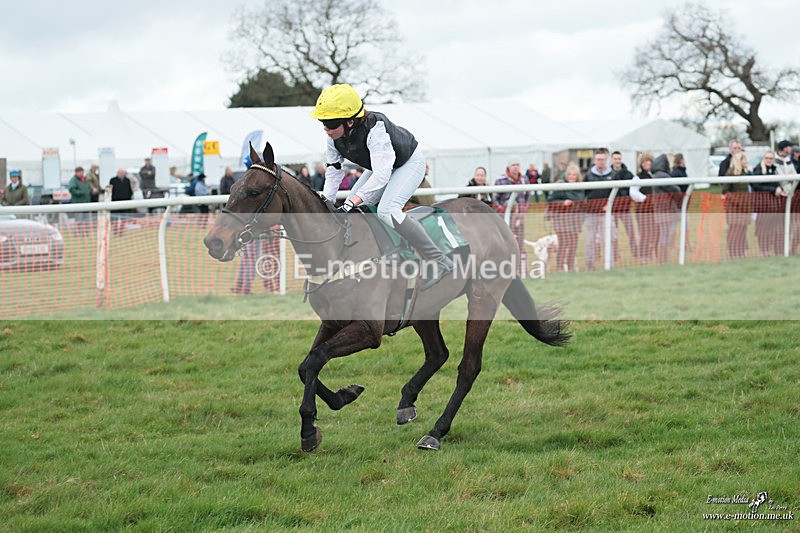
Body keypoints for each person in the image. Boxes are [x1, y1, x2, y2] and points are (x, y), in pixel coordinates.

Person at [310, 83, 453, 289]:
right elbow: (333, 172)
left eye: (330, 123)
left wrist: (350, 202)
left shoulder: (375, 128)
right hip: (380, 167)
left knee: (388, 210)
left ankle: (440, 260)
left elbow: (382, 175)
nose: (326, 128)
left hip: (408, 164)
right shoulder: (333, 138)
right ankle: (388, 253)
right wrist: (327, 202)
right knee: (357, 209)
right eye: (323, 122)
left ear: (350, 121)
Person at [546, 162, 585, 272]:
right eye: (569, 175)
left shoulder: (580, 188)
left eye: (574, 175)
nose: (571, 177)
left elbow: (582, 203)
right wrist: (563, 203)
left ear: (577, 176)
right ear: (566, 175)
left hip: (575, 221)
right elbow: (551, 201)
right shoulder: (560, 186)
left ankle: (570, 267)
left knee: (573, 245)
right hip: (561, 221)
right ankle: (559, 267)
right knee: (563, 244)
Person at [493, 157, 531, 271]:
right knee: (505, 245)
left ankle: (522, 269)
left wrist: (522, 211)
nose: (516, 167)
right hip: (505, 220)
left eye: (517, 165)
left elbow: (528, 197)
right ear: (509, 167)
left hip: (519, 219)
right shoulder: (500, 181)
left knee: (520, 244)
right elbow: (495, 200)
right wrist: (504, 210)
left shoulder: (524, 180)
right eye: (513, 165)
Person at [582, 148, 615, 271]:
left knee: (608, 240)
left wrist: (609, 205)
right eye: (598, 159)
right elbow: (583, 193)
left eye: (602, 159)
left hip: (606, 214)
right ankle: (589, 265)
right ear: (595, 160)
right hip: (591, 214)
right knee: (590, 241)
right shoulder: (588, 176)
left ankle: (609, 265)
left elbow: (618, 193)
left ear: (606, 160)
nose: (600, 162)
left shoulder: (613, 175)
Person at [650, 154, 682, 264]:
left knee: (665, 235)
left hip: (661, 211)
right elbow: (676, 189)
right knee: (665, 236)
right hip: (666, 211)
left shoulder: (656, 175)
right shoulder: (662, 176)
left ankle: (662, 260)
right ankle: (662, 260)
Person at [750, 151, 784, 256]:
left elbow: (779, 183)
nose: (769, 160)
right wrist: (773, 190)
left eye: (771, 158)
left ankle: (769, 249)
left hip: (773, 204)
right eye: (767, 158)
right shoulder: (758, 169)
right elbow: (756, 185)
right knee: (763, 229)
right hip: (762, 204)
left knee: (772, 228)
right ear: (764, 158)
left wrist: (779, 188)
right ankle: (763, 250)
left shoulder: (775, 169)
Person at [722, 151, 751, 259]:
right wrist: (738, 201)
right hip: (734, 208)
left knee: (743, 230)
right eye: (744, 159)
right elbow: (725, 190)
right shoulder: (731, 172)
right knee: (734, 230)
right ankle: (733, 252)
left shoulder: (745, 172)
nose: (746, 161)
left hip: (744, 207)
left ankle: (740, 252)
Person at [610, 151, 638, 261]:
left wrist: (628, 199)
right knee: (613, 234)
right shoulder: (609, 174)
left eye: (619, 159)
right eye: (615, 159)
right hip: (613, 209)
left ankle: (635, 252)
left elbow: (634, 189)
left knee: (631, 232)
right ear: (612, 159)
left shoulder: (628, 174)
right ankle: (615, 254)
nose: (617, 161)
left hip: (625, 209)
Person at [630, 153, 656, 262]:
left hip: (655, 209)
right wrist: (645, 199)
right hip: (642, 209)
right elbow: (633, 192)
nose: (646, 163)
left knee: (653, 233)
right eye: (644, 162)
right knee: (644, 232)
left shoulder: (656, 175)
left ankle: (649, 254)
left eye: (648, 161)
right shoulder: (638, 177)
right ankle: (643, 255)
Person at [109, 168, 134, 236]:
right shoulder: (113, 180)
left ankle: (121, 231)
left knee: (123, 218)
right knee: (115, 218)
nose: (121, 174)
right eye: (120, 173)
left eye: (122, 173)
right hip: (115, 203)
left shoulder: (127, 180)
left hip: (125, 203)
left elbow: (130, 191)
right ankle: (115, 231)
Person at [68, 166, 92, 235]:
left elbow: (87, 188)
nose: (82, 173)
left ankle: (86, 233)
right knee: (79, 219)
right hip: (78, 203)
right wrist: (80, 192)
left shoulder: (84, 179)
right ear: (77, 172)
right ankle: (77, 233)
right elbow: (72, 189)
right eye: (80, 172)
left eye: (82, 172)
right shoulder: (74, 180)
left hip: (86, 202)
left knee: (86, 219)